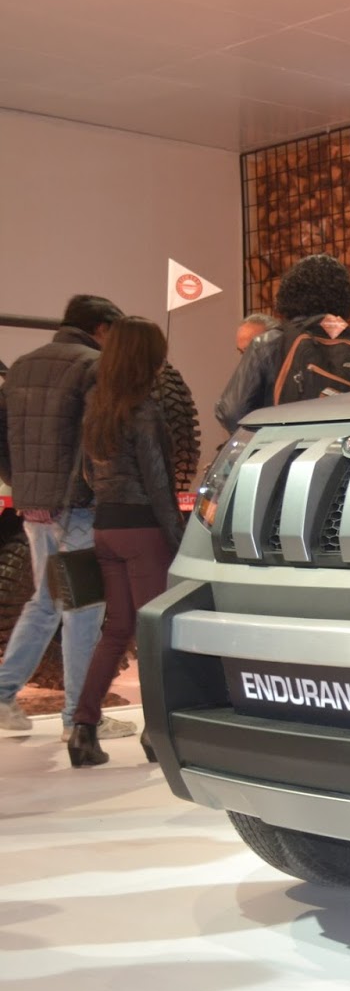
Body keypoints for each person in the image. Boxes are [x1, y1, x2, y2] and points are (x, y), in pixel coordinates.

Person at [0, 294, 136, 741]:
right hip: (77, 505)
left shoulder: (21, 366)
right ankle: (79, 717)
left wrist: (22, 484)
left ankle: (3, 695)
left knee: (45, 602)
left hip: (34, 506)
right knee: (84, 609)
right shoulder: (92, 366)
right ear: (102, 329)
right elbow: (100, 437)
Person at [66, 318, 185, 767]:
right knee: (154, 632)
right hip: (143, 531)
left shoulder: (97, 407)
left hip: (106, 527)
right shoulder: (145, 411)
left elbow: (86, 475)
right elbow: (158, 484)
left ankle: (83, 728)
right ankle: (156, 733)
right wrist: (178, 539)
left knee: (116, 631)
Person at [215, 254, 350, 432]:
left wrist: (268, 437)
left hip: (286, 447)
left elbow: (232, 412)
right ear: (346, 298)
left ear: (288, 293)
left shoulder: (267, 345)